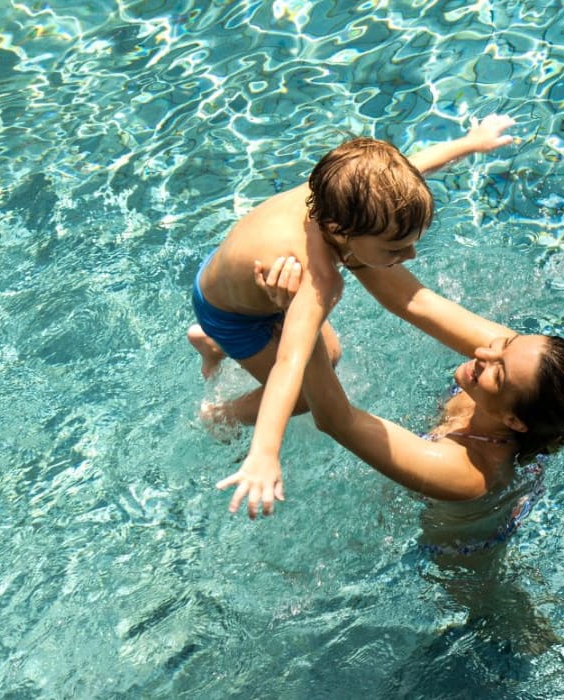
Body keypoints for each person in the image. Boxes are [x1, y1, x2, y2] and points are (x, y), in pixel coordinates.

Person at [187, 115, 517, 519]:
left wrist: (473, 142)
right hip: (232, 313)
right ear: (340, 231)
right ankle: (219, 414)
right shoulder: (317, 280)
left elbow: (410, 168)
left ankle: (210, 346)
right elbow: (291, 362)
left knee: (331, 352)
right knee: (308, 395)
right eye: (395, 249)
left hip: (224, 273)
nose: (409, 257)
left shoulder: (339, 191)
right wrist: (265, 452)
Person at [250, 256, 564, 550]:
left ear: (515, 421)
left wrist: (300, 317)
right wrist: (348, 241)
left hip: (460, 561)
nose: (484, 351)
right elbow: (413, 299)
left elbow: (337, 420)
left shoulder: (469, 474)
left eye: (499, 371)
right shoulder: (514, 369)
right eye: (508, 342)